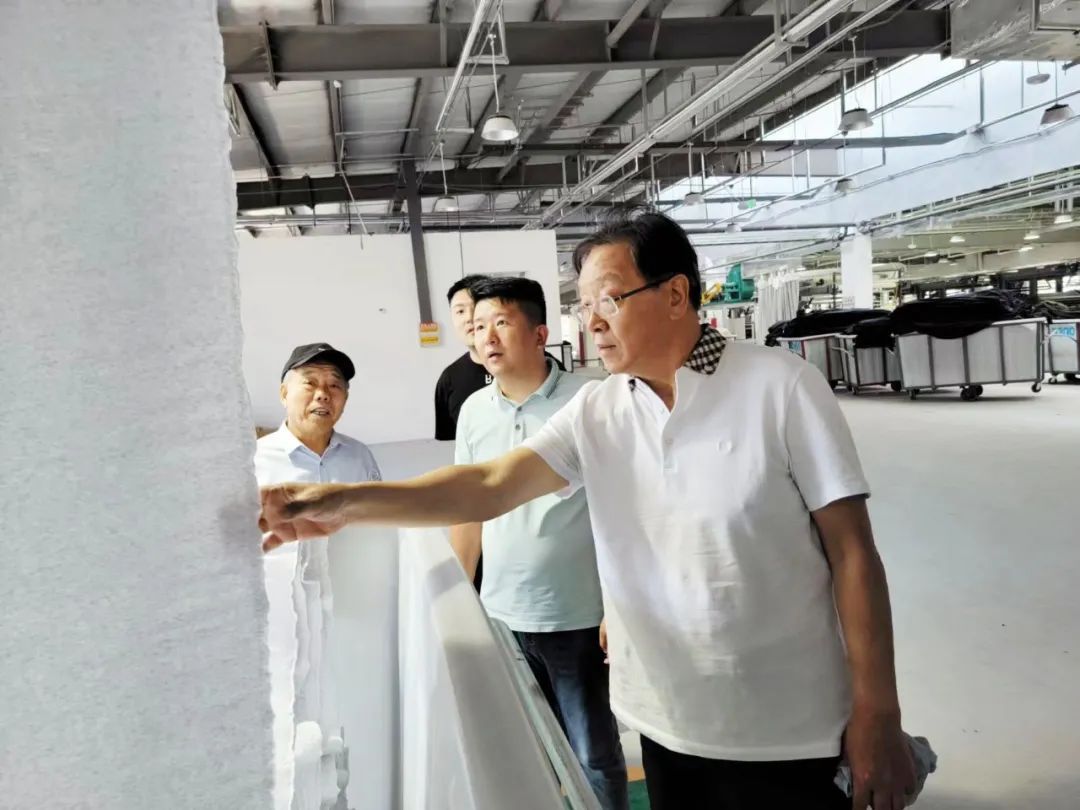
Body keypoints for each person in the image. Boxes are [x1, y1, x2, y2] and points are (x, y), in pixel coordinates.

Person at [260, 213, 917, 810]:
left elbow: (853, 553)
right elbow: (490, 484)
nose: (592, 321)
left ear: (676, 295)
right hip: (666, 719)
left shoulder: (780, 387)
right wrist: (342, 501)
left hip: (788, 724)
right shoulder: (599, 409)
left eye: (609, 299)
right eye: (584, 303)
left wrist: (878, 712)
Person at [451, 276, 628, 810]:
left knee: (592, 752)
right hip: (502, 612)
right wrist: (460, 601)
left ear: (539, 333)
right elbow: (468, 509)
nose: (486, 337)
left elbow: (623, 510)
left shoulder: (590, 400)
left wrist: (616, 607)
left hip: (576, 613)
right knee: (524, 750)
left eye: (502, 323)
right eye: (478, 326)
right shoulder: (474, 411)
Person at [254, 342, 381, 810]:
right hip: (288, 629)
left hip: (355, 615)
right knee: (296, 738)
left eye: (335, 385)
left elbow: (378, 529)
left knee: (352, 726)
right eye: (309, 383)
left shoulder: (358, 457)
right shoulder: (256, 460)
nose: (323, 394)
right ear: (284, 392)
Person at [434, 275, 493, 442]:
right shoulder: (449, 379)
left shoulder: (539, 365)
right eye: (460, 311)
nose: (469, 318)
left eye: (477, 307)